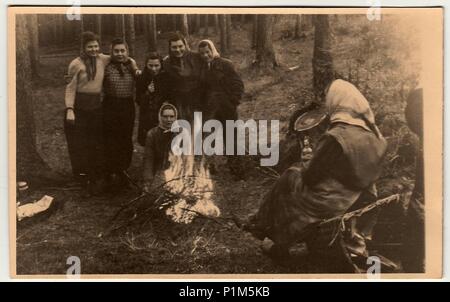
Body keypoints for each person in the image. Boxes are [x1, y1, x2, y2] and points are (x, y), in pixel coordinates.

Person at [244, 79, 387, 259]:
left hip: (333, 201)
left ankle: (272, 237)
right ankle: (263, 225)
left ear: (337, 103)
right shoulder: (375, 136)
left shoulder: (336, 137)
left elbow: (311, 177)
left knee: (290, 177)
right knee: (294, 176)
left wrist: (308, 161)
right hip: (362, 195)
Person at [64, 31, 109, 195]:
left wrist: (134, 65)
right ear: (83, 47)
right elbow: (70, 88)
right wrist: (70, 109)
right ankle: (81, 178)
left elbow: (122, 57)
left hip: (96, 108)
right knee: (79, 144)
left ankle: (96, 176)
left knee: (96, 143)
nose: (94, 49)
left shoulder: (103, 59)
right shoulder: (75, 63)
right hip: (79, 109)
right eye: (90, 46)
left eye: (96, 46)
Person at [102, 38, 140, 190]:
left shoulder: (132, 65)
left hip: (127, 105)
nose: (119, 54)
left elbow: (141, 79)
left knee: (125, 138)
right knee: (111, 138)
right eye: (116, 51)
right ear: (111, 52)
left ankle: (123, 169)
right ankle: (111, 172)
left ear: (127, 52)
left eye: (122, 51)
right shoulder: (106, 66)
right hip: (110, 104)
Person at [198, 39, 244, 124]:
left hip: (227, 109)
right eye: (202, 53)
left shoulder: (225, 64)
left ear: (213, 50)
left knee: (230, 136)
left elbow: (238, 84)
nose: (205, 55)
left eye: (207, 52)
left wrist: (232, 102)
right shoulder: (201, 69)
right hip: (211, 112)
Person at [163, 33, 204, 120]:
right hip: (178, 103)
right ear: (170, 48)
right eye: (174, 47)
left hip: (197, 102)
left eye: (180, 46)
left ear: (185, 45)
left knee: (197, 130)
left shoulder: (197, 57)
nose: (178, 50)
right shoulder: (166, 63)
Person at [136, 52, 170, 147]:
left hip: (163, 114)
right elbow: (138, 100)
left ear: (161, 65)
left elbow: (170, 96)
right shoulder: (142, 78)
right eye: (150, 65)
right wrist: (147, 92)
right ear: (146, 65)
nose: (153, 69)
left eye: (156, 65)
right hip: (147, 116)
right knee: (148, 143)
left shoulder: (166, 78)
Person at [142, 103, 178, 193]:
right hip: (158, 171)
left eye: (171, 116)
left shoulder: (180, 133)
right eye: (165, 116)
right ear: (160, 117)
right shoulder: (152, 134)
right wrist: (147, 182)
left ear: (175, 117)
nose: (169, 120)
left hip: (176, 171)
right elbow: (148, 159)